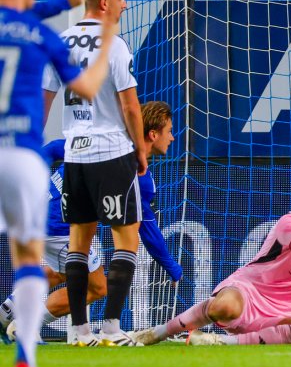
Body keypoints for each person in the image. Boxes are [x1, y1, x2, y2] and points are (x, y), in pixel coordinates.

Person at [0, 0, 115, 367]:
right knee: (28, 262)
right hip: (23, 157)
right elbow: (86, 86)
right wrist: (104, 42)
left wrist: (65, 0)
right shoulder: (40, 35)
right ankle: (25, 358)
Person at [0, 101, 183, 340]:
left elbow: (56, 147)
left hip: (39, 213)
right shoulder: (136, 172)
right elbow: (147, 229)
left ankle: (6, 312)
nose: (172, 137)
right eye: (169, 131)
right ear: (152, 134)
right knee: (97, 286)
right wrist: (173, 267)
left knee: (61, 273)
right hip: (60, 225)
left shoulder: (106, 139)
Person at [132, 165, 291, 346]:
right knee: (226, 306)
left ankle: (216, 342)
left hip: (279, 317)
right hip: (247, 293)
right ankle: (159, 332)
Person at [43, 0, 148, 347]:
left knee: (78, 243)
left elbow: (45, 101)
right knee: (126, 240)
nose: (124, 5)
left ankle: (77, 332)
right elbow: (130, 105)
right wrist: (139, 148)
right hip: (110, 151)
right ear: (104, 2)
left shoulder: (61, 41)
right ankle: (112, 329)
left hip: (74, 154)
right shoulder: (113, 44)